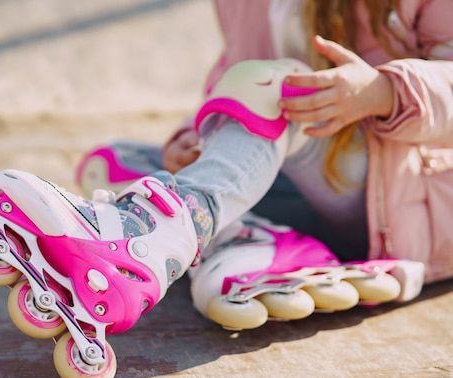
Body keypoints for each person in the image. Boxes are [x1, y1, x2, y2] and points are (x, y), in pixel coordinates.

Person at [75, 0, 453, 302]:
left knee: (276, 85)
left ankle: (165, 234)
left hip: (401, 200)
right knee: (117, 162)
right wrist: (194, 136)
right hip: (294, 175)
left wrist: (383, 92)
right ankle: (258, 240)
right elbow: (235, 70)